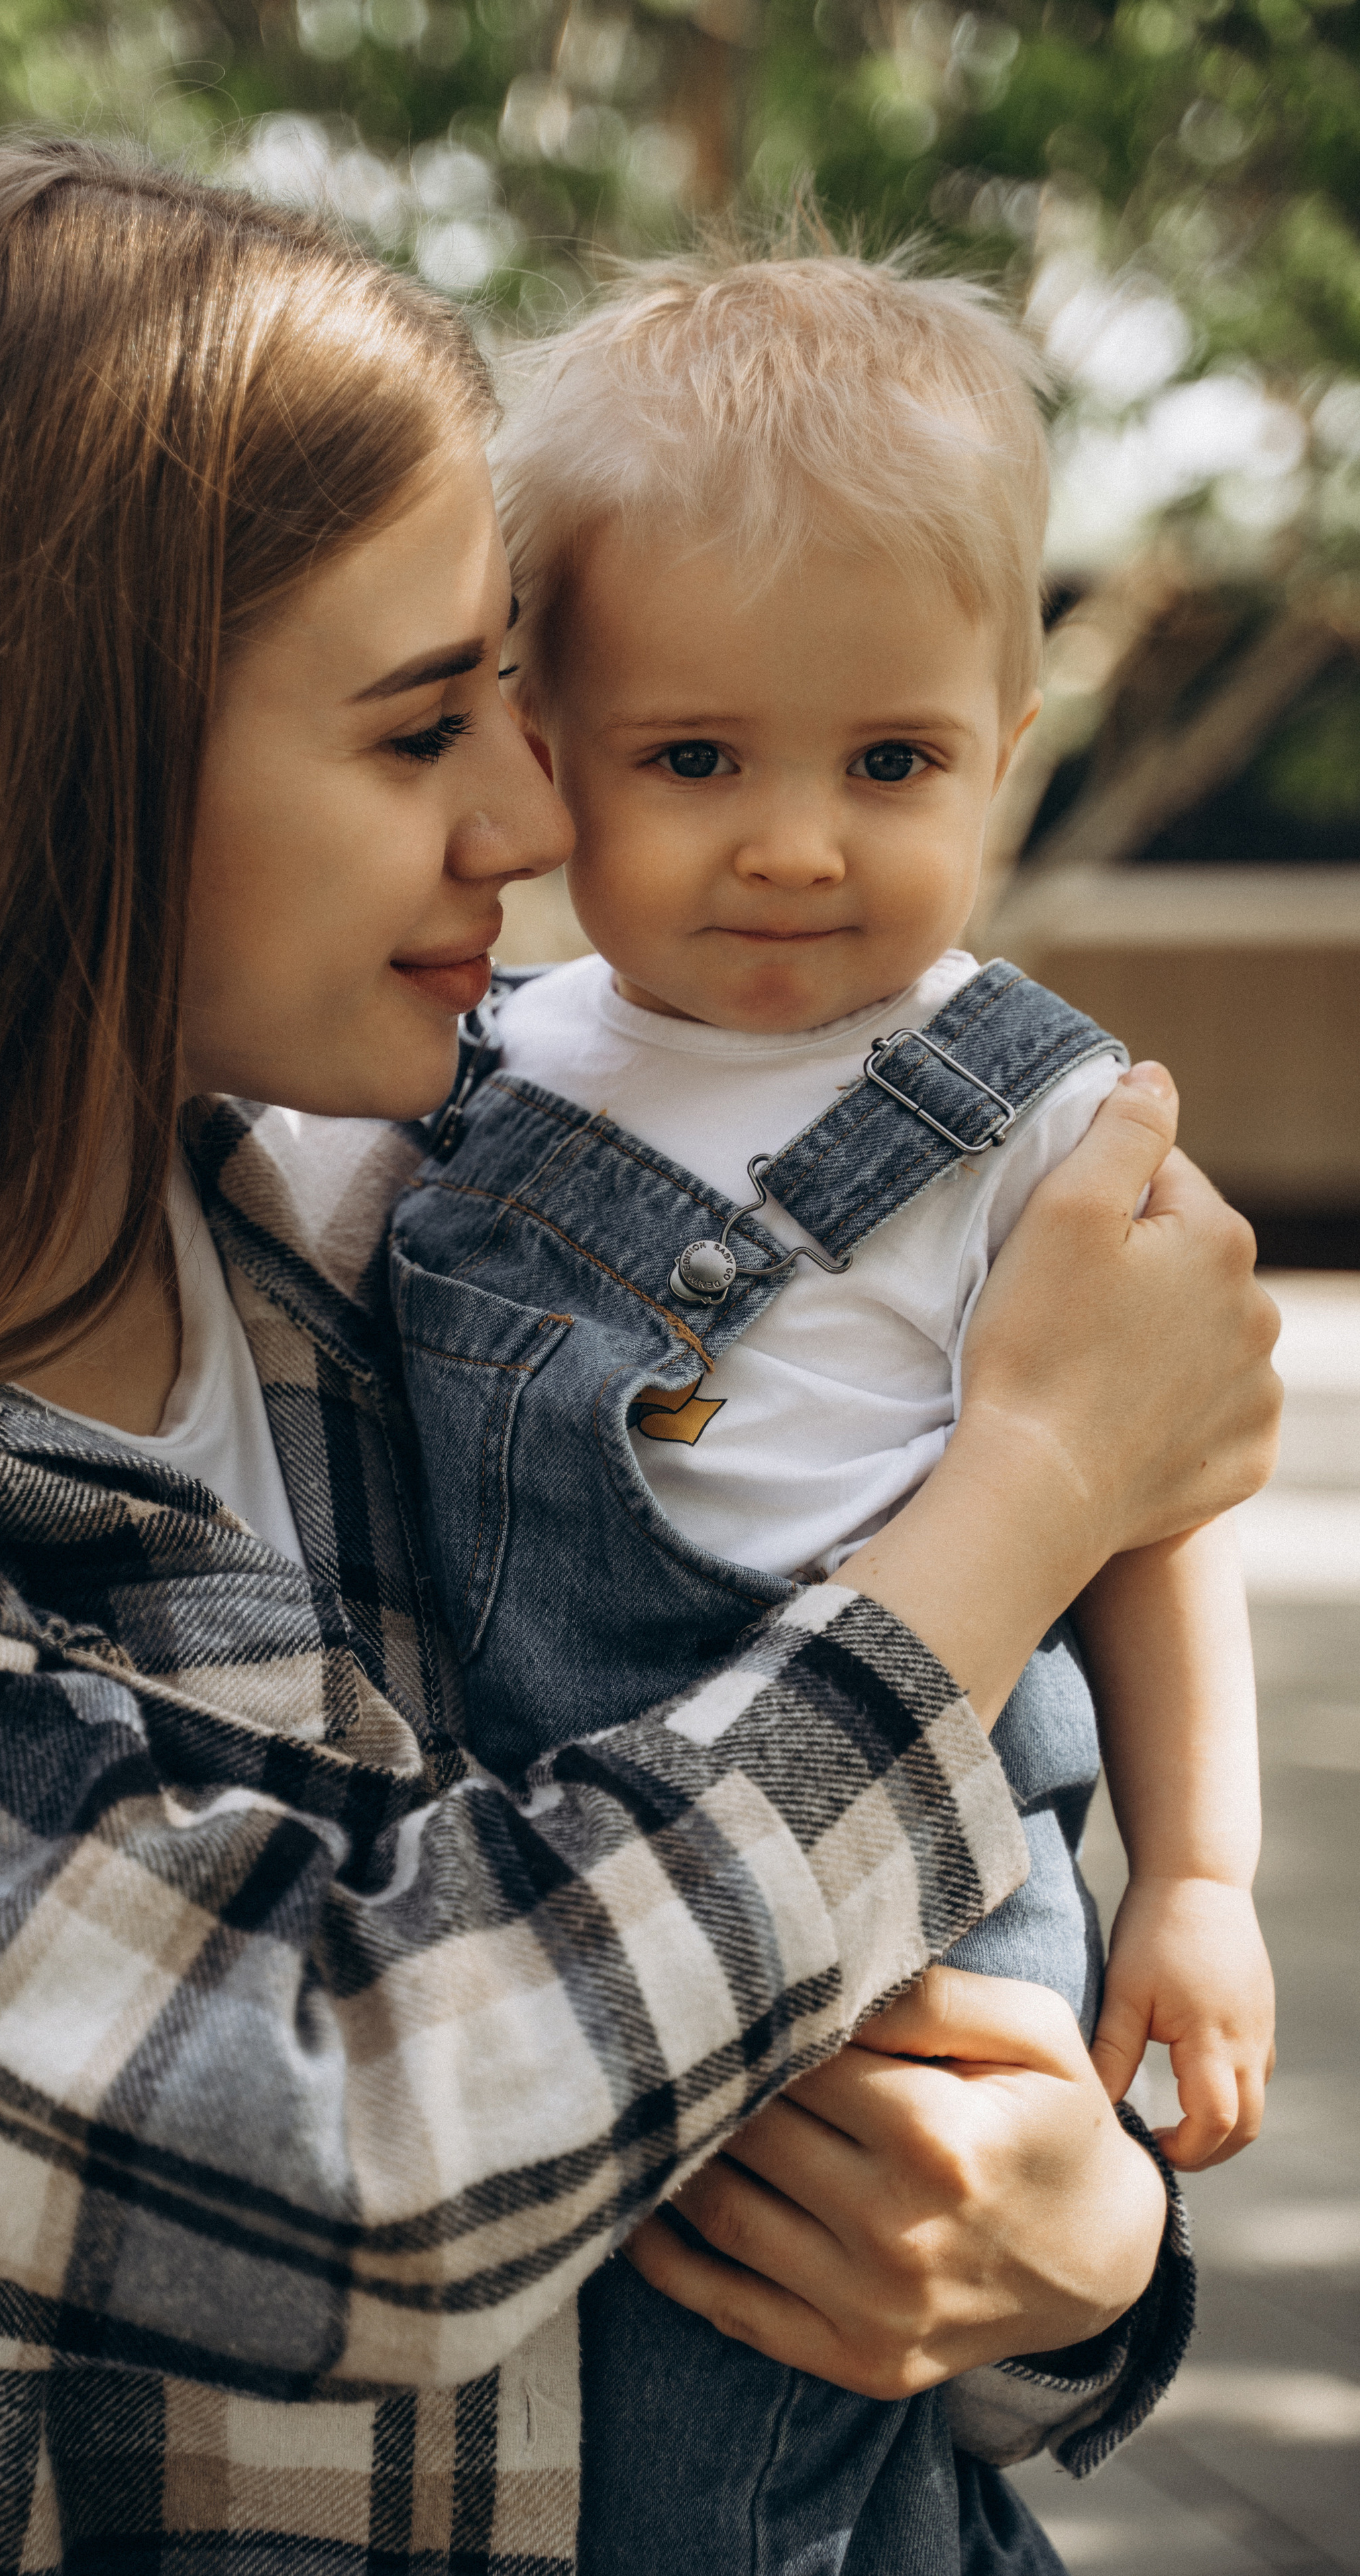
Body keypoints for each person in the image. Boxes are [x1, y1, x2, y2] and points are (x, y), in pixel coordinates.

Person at [0, 142, 1278, 2576]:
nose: (532, 814)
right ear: (65, 758)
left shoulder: (372, 1248)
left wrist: (1075, 2264)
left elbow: (748, 2099)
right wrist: (1033, 1484)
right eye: (427, 729)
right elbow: (353, 2161)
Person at [387, 250, 1276, 2565]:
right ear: (543, 743)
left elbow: (1156, 1512)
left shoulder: (1031, 1118)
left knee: (748, 2445)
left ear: (1004, 735)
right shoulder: (474, 1063)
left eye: (892, 763)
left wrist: (1196, 1877)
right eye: (697, 760)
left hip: (914, 1921)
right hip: (552, 1888)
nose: (797, 844)